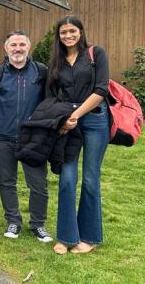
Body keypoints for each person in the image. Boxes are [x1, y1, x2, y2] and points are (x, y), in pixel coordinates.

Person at [0, 30, 53, 242]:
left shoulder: (41, 72)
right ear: (6, 48)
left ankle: (38, 224)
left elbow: (50, 104)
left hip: (33, 139)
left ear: (29, 46)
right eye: (13, 45)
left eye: (21, 45)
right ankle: (13, 220)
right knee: (7, 182)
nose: (17, 49)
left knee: (38, 184)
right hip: (2, 137)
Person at [47, 15, 110, 255]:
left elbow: (101, 90)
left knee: (91, 179)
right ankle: (65, 236)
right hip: (68, 124)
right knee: (67, 179)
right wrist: (65, 119)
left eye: (72, 31)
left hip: (94, 119)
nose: (68, 36)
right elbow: (52, 95)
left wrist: (77, 115)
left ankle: (90, 237)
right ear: (59, 36)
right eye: (63, 32)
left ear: (81, 32)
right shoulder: (57, 61)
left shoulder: (96, 54)